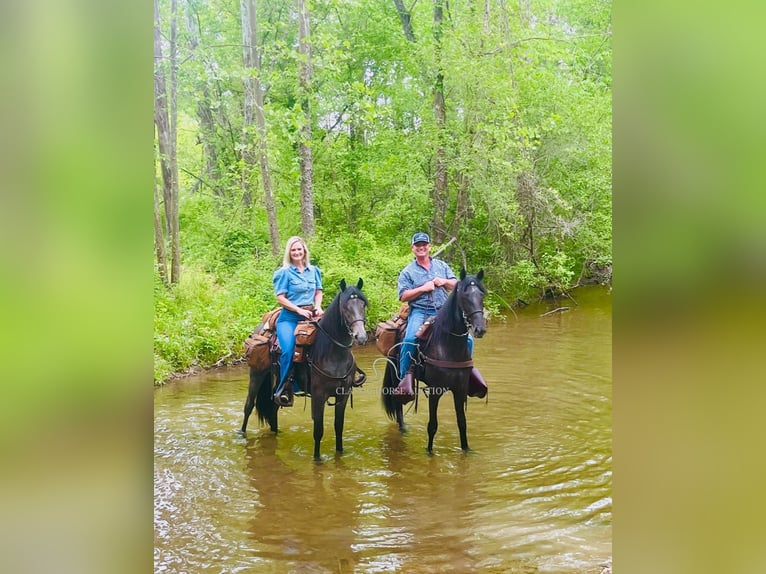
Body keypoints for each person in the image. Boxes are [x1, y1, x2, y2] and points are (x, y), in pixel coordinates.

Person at [391, 231, 487, 403]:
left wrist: (443, 281)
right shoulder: (408, 271)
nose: (421, 248)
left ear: (429, 247)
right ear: (413, 249)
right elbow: (403, 296)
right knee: (410, 339)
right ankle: (405, 380)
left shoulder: (441, 266)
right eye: (417, 246)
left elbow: (458, 285)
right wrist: (423, 288)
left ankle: (467, 373)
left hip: (443, 311)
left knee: (469, 340)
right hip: (420, 312)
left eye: (424, 245)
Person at [272, 236, 324, 406]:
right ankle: (284, 387)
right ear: (289, 253)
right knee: (288, 349)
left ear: (304, 251)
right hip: (289, 318)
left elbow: (318, 291)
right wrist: (298, 309)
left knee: (331, 340)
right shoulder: (284, 273)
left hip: (311, 315)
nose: (296, 252)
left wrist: (318, 306)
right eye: (293, 250)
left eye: (299, 249)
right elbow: (280, 298)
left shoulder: (313, 270)